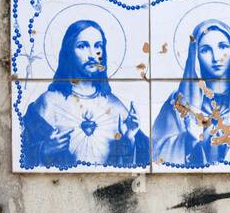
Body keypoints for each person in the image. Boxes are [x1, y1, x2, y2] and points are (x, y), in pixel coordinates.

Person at [21, 20, 149, 169]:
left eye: (98, 46)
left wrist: (129, 140)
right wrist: (44, 150)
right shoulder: (49, 102)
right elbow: (20, 154)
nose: (92, 54)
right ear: (69, 52)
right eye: (82, 46)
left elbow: (140, 162)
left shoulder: (115, 106)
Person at [151, 19, 230, 167]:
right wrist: (188, 139)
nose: (216, 57)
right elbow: (156, 150)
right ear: (195, 55)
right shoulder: (178, 103)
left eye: (223, 47)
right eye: (205, 50)